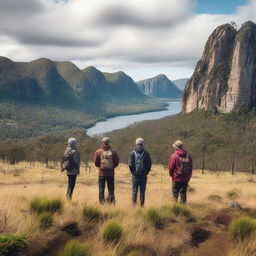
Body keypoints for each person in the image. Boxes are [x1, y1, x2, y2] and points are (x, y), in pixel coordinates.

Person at [94, 137, 119, 204]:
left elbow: (96, 163)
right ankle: (111, 203)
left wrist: (100, 167)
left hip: (101, 174)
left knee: (101, 189)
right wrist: (111, 167)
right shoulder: (113, 152)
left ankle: (101, 203)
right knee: (111, 189)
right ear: (109, 142)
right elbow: (116, 162)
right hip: (110, 174)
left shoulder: (98, 151)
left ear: (102, 142)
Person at [128, 138, 151, 207]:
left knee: (134, 191)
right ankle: (142, 206)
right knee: (142, 191)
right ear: (142, 143)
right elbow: (149, 164)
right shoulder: (146, 153)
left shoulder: (132, 152)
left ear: (136, 143)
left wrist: (133, 172)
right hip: (143, 175)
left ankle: (134, 206)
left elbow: (130, 164)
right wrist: (146, 172)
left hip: (135, 175)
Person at [168, 140, 193, 204]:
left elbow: (171, 167)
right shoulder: (188, 155)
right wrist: (188, 176)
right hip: (185, 179)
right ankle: (183, 209)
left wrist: (172, 175)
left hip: (176, 178)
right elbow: (191, 167)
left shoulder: (174, 156)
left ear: (176, 147)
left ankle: (175, 208)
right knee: (183, 194)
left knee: (175, 194)